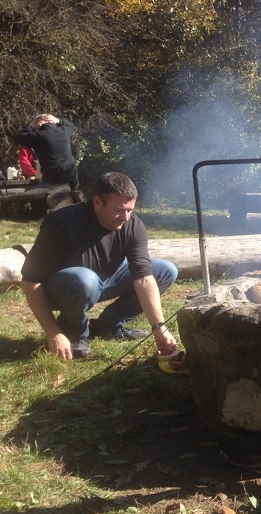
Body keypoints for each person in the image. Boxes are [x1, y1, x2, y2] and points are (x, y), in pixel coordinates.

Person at [21, 172, 178, 360]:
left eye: (130, 210)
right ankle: (73, 332)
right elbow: (30, 281)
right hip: (63, 289)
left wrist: (159, 328)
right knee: (85, 280)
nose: (125, 217)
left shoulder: (133, 226)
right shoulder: (61, 223)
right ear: (97, 202)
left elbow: (143, 278)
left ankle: (109, 325)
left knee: (165, 271)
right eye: (119, 210)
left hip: (102, 281)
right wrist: (53, 333)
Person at [16, 114, 82, 200]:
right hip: (70, 172)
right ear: (52, 121)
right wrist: (58, 120)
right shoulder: (64, 131)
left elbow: (19, 137)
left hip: (51, 176)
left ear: (39, 123)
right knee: (76, 198)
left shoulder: (38, 136)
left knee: (53, 201)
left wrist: (33, 126)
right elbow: (71, 125)